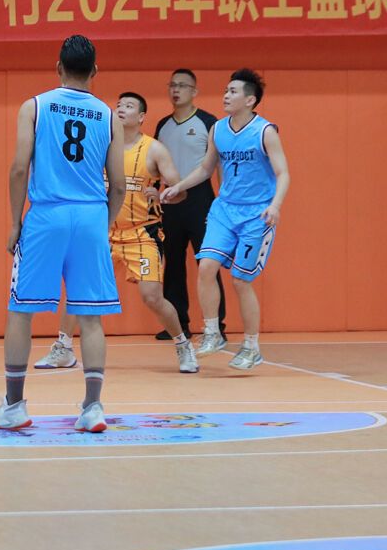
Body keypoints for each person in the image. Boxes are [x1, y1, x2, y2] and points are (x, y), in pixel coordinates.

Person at [0, 36, 123, 433]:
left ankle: (14, 405)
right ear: (94, 72)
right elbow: (119, 185)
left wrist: (15, 222)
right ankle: (92, 408)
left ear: (58, 67)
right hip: (91, 216)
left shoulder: (35, 106)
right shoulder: (109, 115)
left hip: (46, 215)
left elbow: (18, 168)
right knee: (90, 317)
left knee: (21, 311)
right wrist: (102, 224)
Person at [33, 91, 197, 374]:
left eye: (129, 106)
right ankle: (63, 348)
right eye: (118, 105)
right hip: (104, 233)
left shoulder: (154, 149)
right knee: (79, 291)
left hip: (141, 234)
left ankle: (183, 345)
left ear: (141, 116)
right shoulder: (101, 144)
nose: (121, 109)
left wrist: (163, 194)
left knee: (152, 297)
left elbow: (178, 189)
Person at [160, 68, 290, 371]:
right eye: (225, 90)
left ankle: (251, 346)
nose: (226, 95)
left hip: (256, 214)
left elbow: (283, 172)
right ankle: (212, 333)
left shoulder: (265, 132)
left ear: (250, 99)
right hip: (224, 210)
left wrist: (276, 206)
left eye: (233, 91)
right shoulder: (218, 129)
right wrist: (179, 186)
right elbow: (206, 169)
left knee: (240, 280)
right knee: (206, 266)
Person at [154, 69, 224, 339]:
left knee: (208, 261)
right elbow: (154, 163)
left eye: (182, 86)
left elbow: (217, 165)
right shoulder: (163, 125)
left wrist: (222, 200)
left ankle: (216, 326)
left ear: (194, 91)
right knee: (172, 262)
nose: (176, 90)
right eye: (172, 85)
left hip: (200, 199)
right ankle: (177, 324)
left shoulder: (208, 122)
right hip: (170, 199)